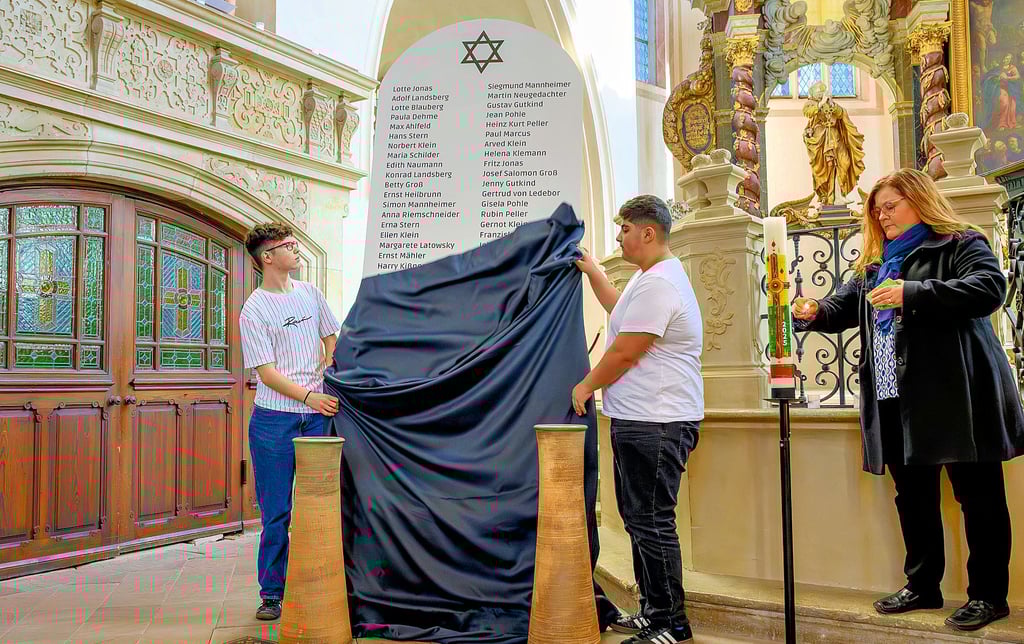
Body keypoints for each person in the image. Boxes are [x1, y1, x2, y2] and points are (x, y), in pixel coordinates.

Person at [792, 168, 1024, 632]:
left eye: (890, 206)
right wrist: (814, 311)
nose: (881, 215)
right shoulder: (875, 264)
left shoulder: (959, 243)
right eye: (876, 210)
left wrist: (911, 293)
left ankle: (989, 596)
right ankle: (923, 585)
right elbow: (844, 305)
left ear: (919, 201)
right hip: (893, 394)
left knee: (977, 497)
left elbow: (988, 289)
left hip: (957, 393)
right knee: (912, 496)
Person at [572, 195, 704, 644]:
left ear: (648, 233)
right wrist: (594, 272)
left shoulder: (661, 284)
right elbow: (619, 313)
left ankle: (671, 623)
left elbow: (627, 351)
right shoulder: (647, 279)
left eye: (624, 228)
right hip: (642, 419)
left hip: (658, 422)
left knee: (651, 520)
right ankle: (653, 610)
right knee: (639, 518)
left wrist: (586, 385)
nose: (618, 236)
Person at [239, 222, 343, 620]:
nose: (297, 250)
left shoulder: (310, 294)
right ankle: (272, 594)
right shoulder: (255, 309)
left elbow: (331, 333)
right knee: (277, 512)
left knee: (320, 507)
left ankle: (323, 582)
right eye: (289, 246)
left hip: (315, 420)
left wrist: (329, 357)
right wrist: (309, 397)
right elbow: (265, 373)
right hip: (274, 423)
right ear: (268, 257)